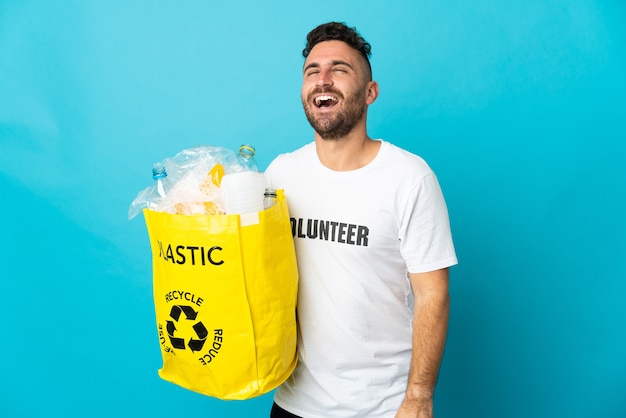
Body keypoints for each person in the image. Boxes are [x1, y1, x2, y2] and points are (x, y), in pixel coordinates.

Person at [264, 22, 458, 418]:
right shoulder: (280, 175)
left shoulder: (409, 178)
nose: (322, 80)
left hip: (381, 408)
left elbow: (432, 294)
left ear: (370, 93)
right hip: (292, 403)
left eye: (339, 69)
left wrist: (419, 397)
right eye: (312, 71)